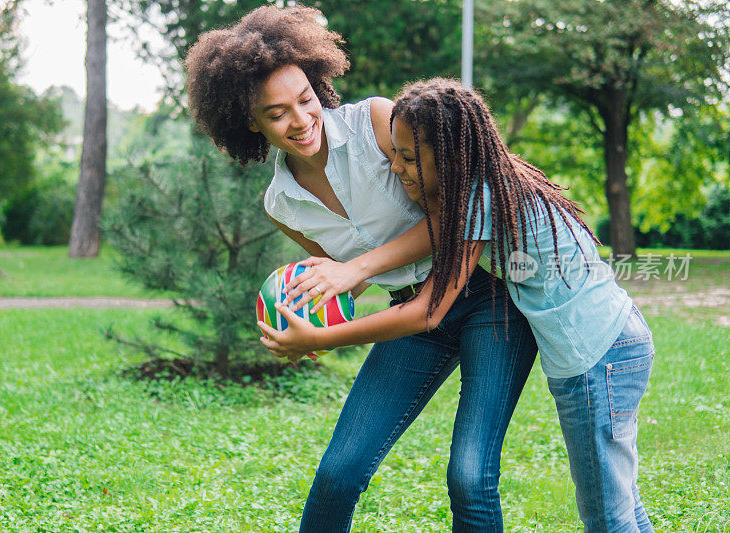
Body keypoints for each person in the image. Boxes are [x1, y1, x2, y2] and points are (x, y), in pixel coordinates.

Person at [185, 6, 537, 532]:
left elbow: (459, 213)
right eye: (276, 113)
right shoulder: (282, 204)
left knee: (470, 476)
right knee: (338, 473)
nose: (301, 121)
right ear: (250, 122)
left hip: (487, 296)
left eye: (305, 100)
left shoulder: (376, 121)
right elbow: (346, 274)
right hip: (410, 313)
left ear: (319, 84)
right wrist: (306, 316)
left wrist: (352, 271)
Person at [261, 78, 655, 532]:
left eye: (406, 157)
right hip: (590, 350)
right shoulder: (478, 187)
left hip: (585, 346)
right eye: (395, 153)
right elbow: (350, 276)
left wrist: (323, 337)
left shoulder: (474, 196)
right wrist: (317, 303)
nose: (394, 166)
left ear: (448, 158)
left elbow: (428, 310)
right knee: (617, 507)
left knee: (597, 512)